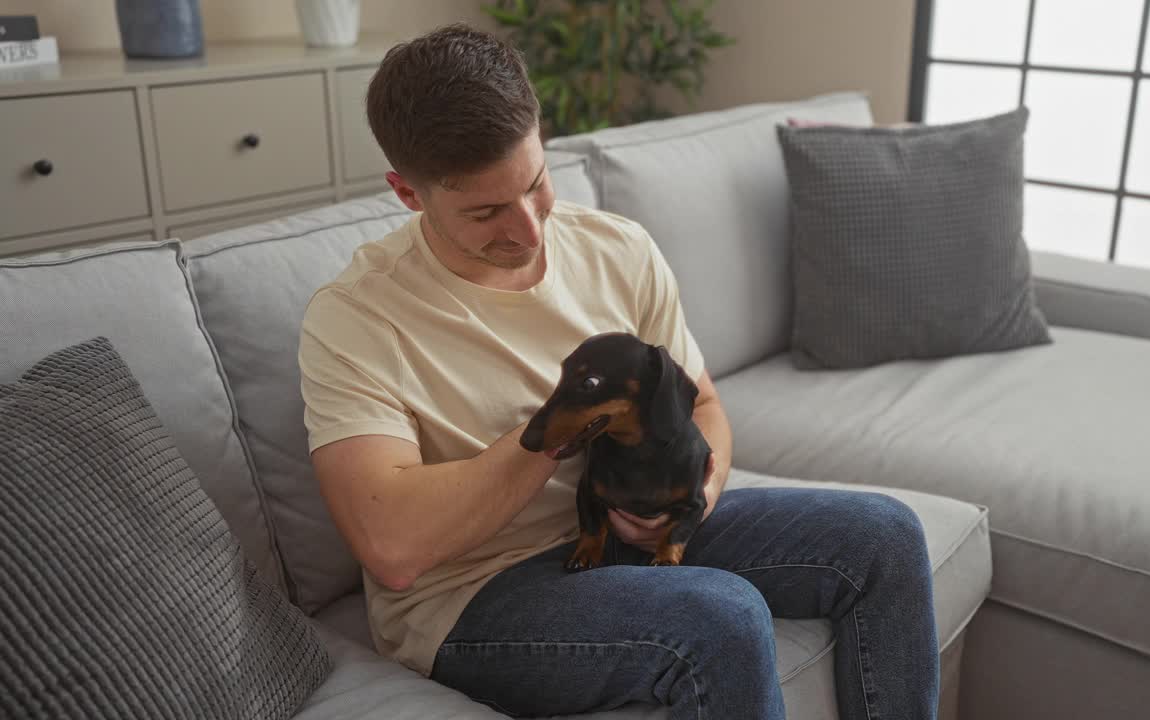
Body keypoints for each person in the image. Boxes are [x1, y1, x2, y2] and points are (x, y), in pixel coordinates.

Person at [298, 22, 939, 720]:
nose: (529, 229)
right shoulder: (358, 318)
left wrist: (693, 498)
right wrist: (556, 429)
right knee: (719, 619)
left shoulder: (615, 247)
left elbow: (702, 409)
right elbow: (392, 548)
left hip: (618, 526)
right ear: (407, 194)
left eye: (535, 185)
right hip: (475, 595)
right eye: (485, 213)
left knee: (885, 534)